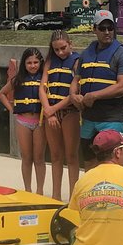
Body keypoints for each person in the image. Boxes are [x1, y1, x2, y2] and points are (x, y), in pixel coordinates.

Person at [70, 9, 123, 172]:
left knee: (113, 164)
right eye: (102, 28)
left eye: (110, 28)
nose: (107, 32)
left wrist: (94, 96)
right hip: (89, 117)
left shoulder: (122, 54)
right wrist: (73, 95)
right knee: (89, 162)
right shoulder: (86, 54)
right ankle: (92, 195)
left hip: (112, 118)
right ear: (94, 29)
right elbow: (76, 79)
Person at [0, 47, 47, 194]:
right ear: (24, 64)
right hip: (22, 122)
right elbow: (1, 94)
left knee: (39, 158)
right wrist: (12, 109)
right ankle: (28, 190)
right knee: (26, 157)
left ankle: (40, 191)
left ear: (41, 63)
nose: (33, 65)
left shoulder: (45, 79)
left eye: (36, 62)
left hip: (40, 122)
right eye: (29, 62)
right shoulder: (17, 80)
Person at [39, 30, 80, 201]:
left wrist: (53, 109)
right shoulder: (49, 61)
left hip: (69, 112)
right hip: (51, 114)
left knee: (71, 156)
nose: (60, 52)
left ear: (70, 44)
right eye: (56, 49)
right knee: (55, 156)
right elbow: (42, 87)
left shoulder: (77, 61)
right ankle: (55, 196)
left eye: (63, 48)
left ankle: (73, 197)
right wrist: (48, 110)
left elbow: (74, 92)